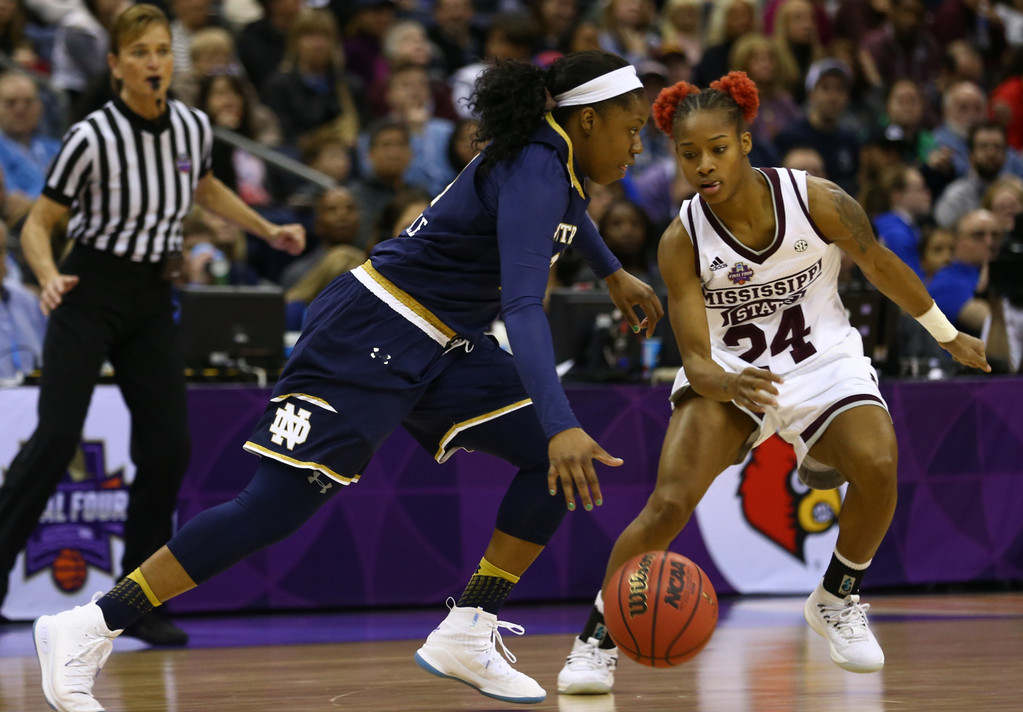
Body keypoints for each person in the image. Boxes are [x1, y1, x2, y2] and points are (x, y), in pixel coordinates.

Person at [33, 49, 663, 712]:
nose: (638, 140)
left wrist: (611, 270)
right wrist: (561, 418)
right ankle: (88, 627)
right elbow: (522, 307)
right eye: (631, 125)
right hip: (369, 331)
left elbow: (565, 215)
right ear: (587, 120)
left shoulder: (551, 157)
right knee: (272, 506)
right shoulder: (538, 164)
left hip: (441, 343)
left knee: (552, 460)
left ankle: (469, 628)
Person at [556, 71, 990, 696]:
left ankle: (837, 596)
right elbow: (697, 359)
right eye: (689, 154)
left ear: (746, 142)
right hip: (735, 374)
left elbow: (880, 263)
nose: (704, 165)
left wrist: (946, 334)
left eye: (718, 149)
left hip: (824, 361)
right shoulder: (682, 239)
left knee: (878, 460)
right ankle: (596, 638)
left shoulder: (818, 200)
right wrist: (726, 385)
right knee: (670, 501)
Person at [0, 3, 304, 648]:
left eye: (162, 51)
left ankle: (136, 603)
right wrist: (48, 274)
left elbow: (206, 189)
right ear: (115, 65)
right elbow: (38, 222)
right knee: (55, 439)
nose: (154, 63)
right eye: (139, 53)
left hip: (150, 295)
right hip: (88, 288)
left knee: (169, 446)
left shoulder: (192, 127)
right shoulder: (91, 136)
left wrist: (266, 227)